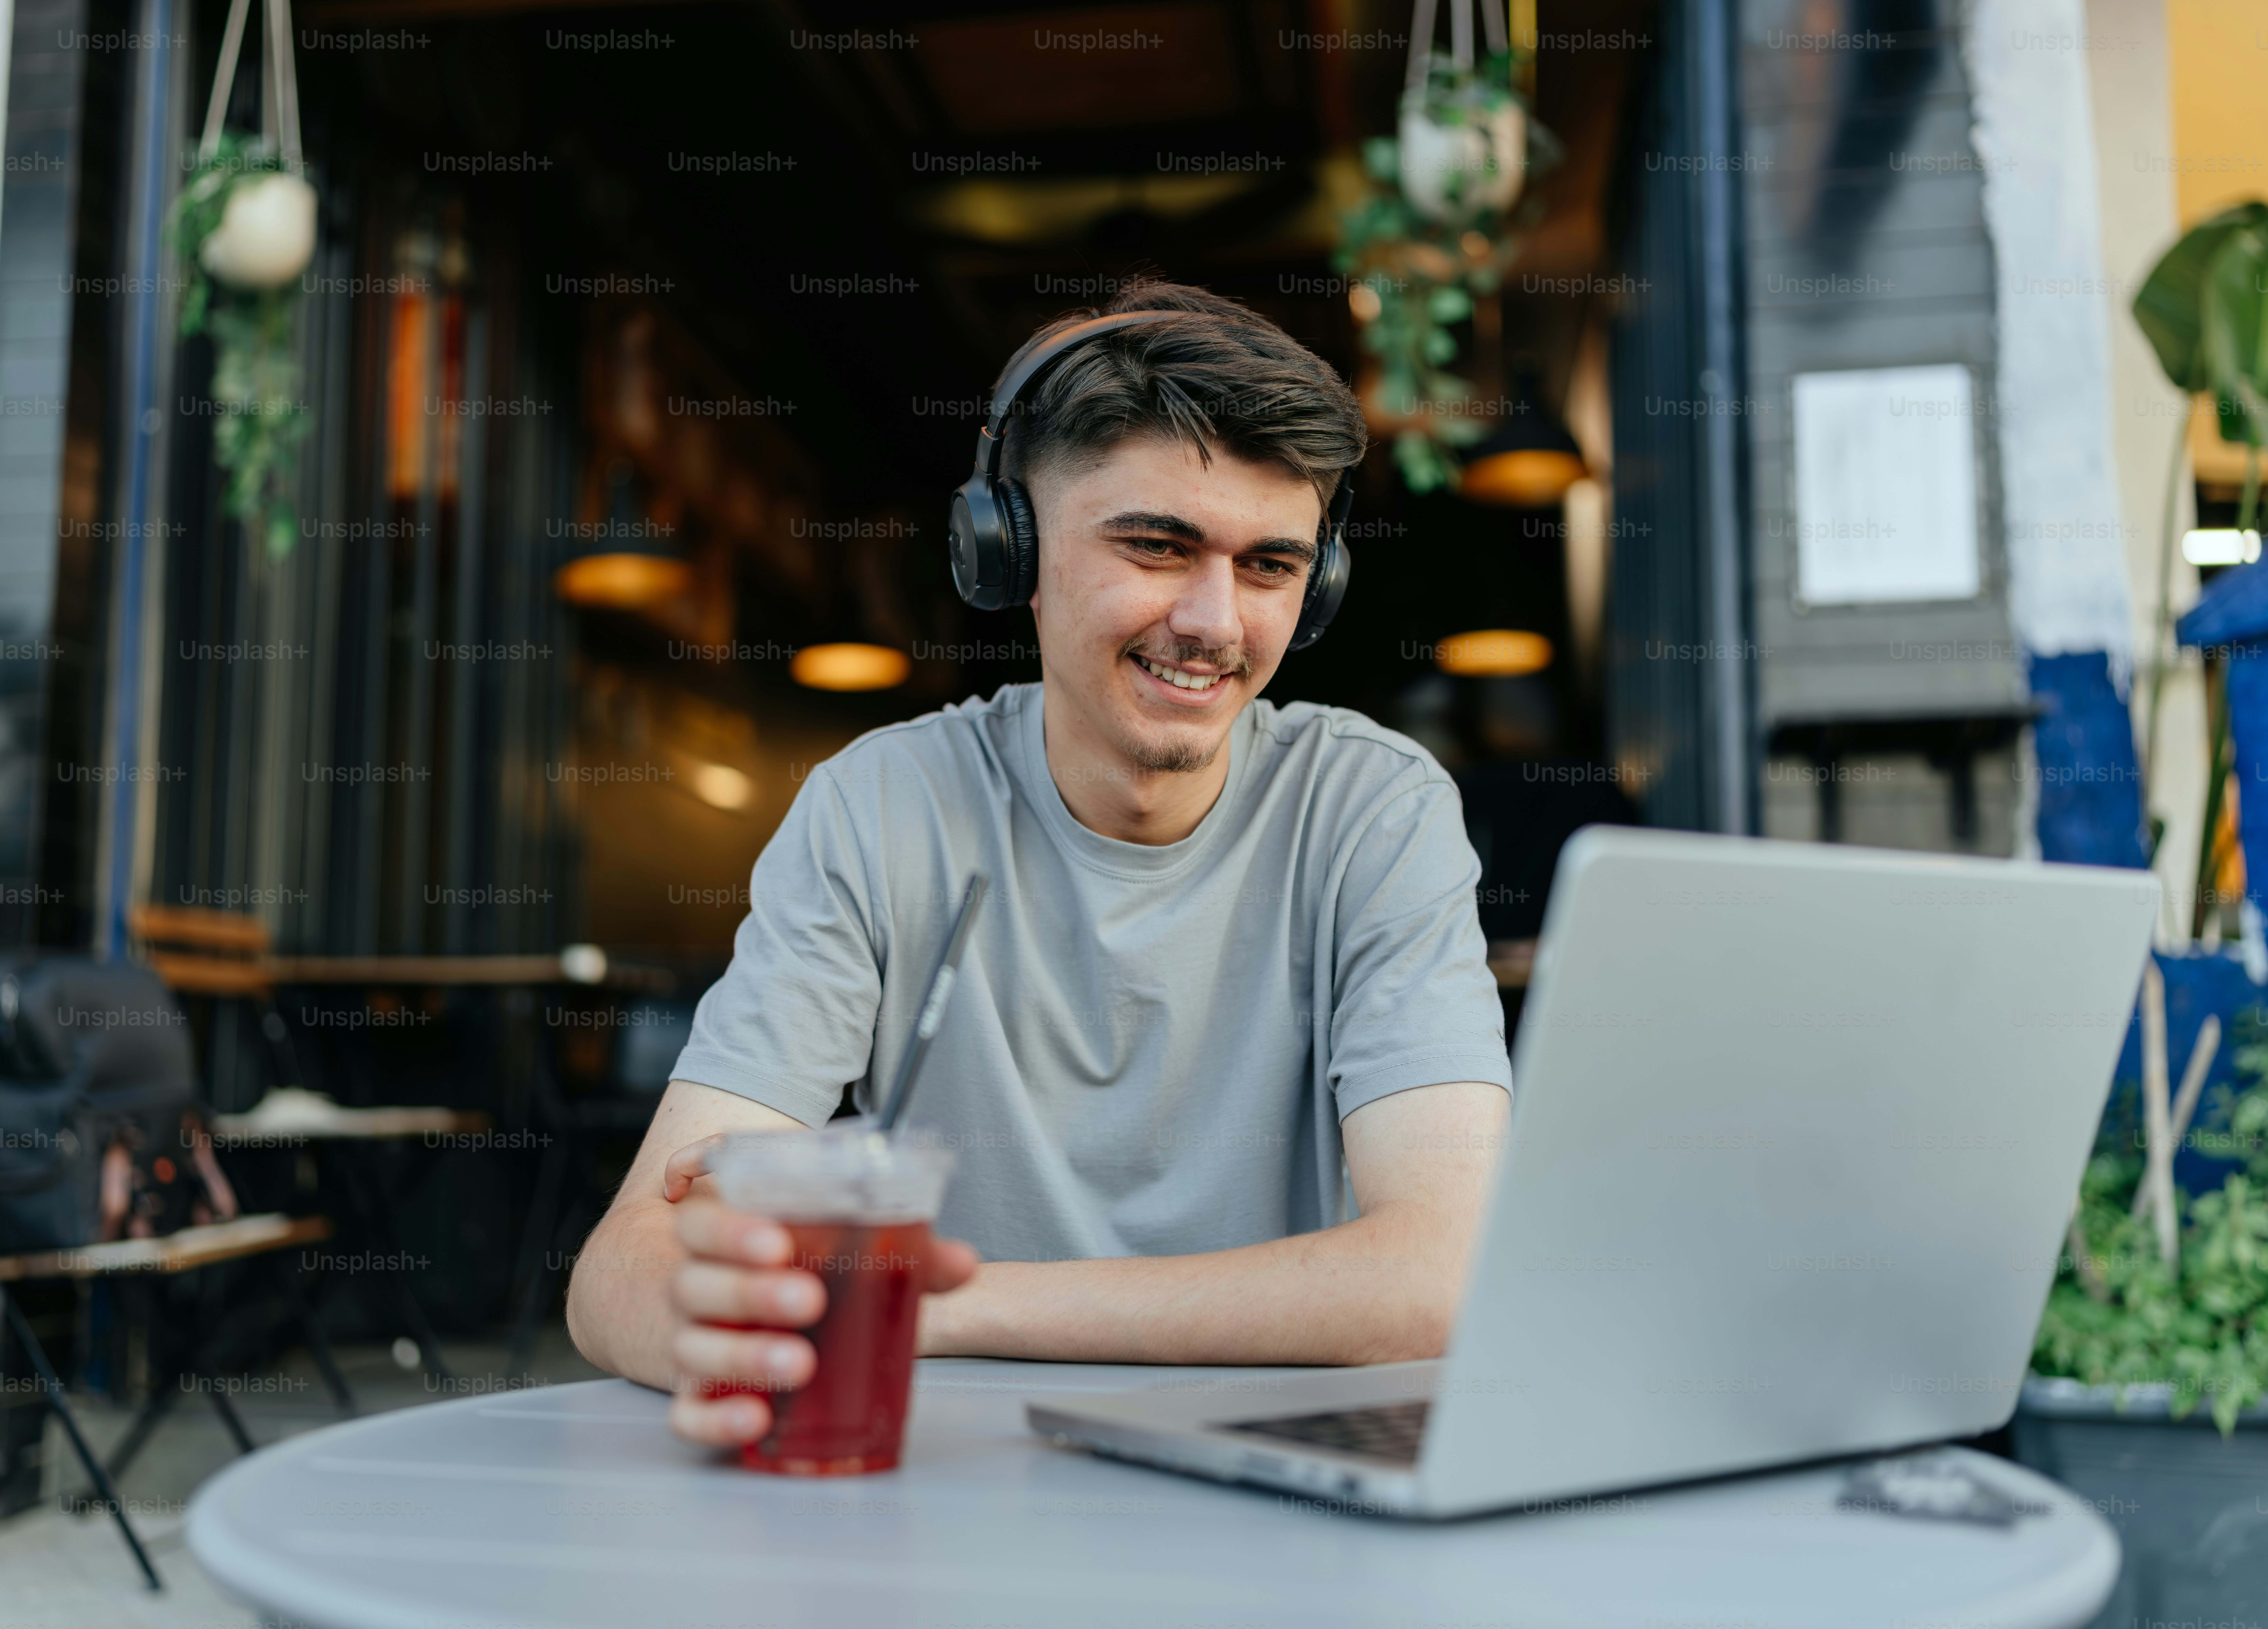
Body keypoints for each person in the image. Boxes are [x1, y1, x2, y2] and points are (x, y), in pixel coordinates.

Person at [566, 280, 1514, 1449]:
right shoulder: (882, 806)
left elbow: (1446, 1279)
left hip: (1278, 1465)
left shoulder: (1372, 808)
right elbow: (620, 1273)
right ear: (1007, 547)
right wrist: (719, 1308)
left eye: (1270, 566)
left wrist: (924, 1299)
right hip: (953, 1467)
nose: (1216, 621)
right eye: (1158, 546)